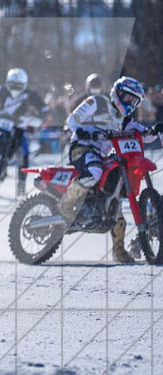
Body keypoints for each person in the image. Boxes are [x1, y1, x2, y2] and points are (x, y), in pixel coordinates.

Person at [63, 76, 162, 262]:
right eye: (128, 98)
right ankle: (66, 205)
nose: (130, 103)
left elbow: (142, 132)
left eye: (134, 101)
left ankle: (118, 250)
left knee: (115, 197)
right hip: (82, 148)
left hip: (102, 156)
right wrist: (82, 130)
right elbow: (72, 119)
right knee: (95, 171)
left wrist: (155, 130)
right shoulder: (98, 102)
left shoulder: (123, 119)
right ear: (119, 93)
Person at [0, 68, 45, 169]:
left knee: (24, 149)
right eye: (13, 84)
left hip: (19, 125)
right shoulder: (1, 90)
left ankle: (22, 175)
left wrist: (37, 118)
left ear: (24, 84)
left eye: (18, 85)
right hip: (1, 121)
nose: (15, 88)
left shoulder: (31, 94)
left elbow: (44, 109)